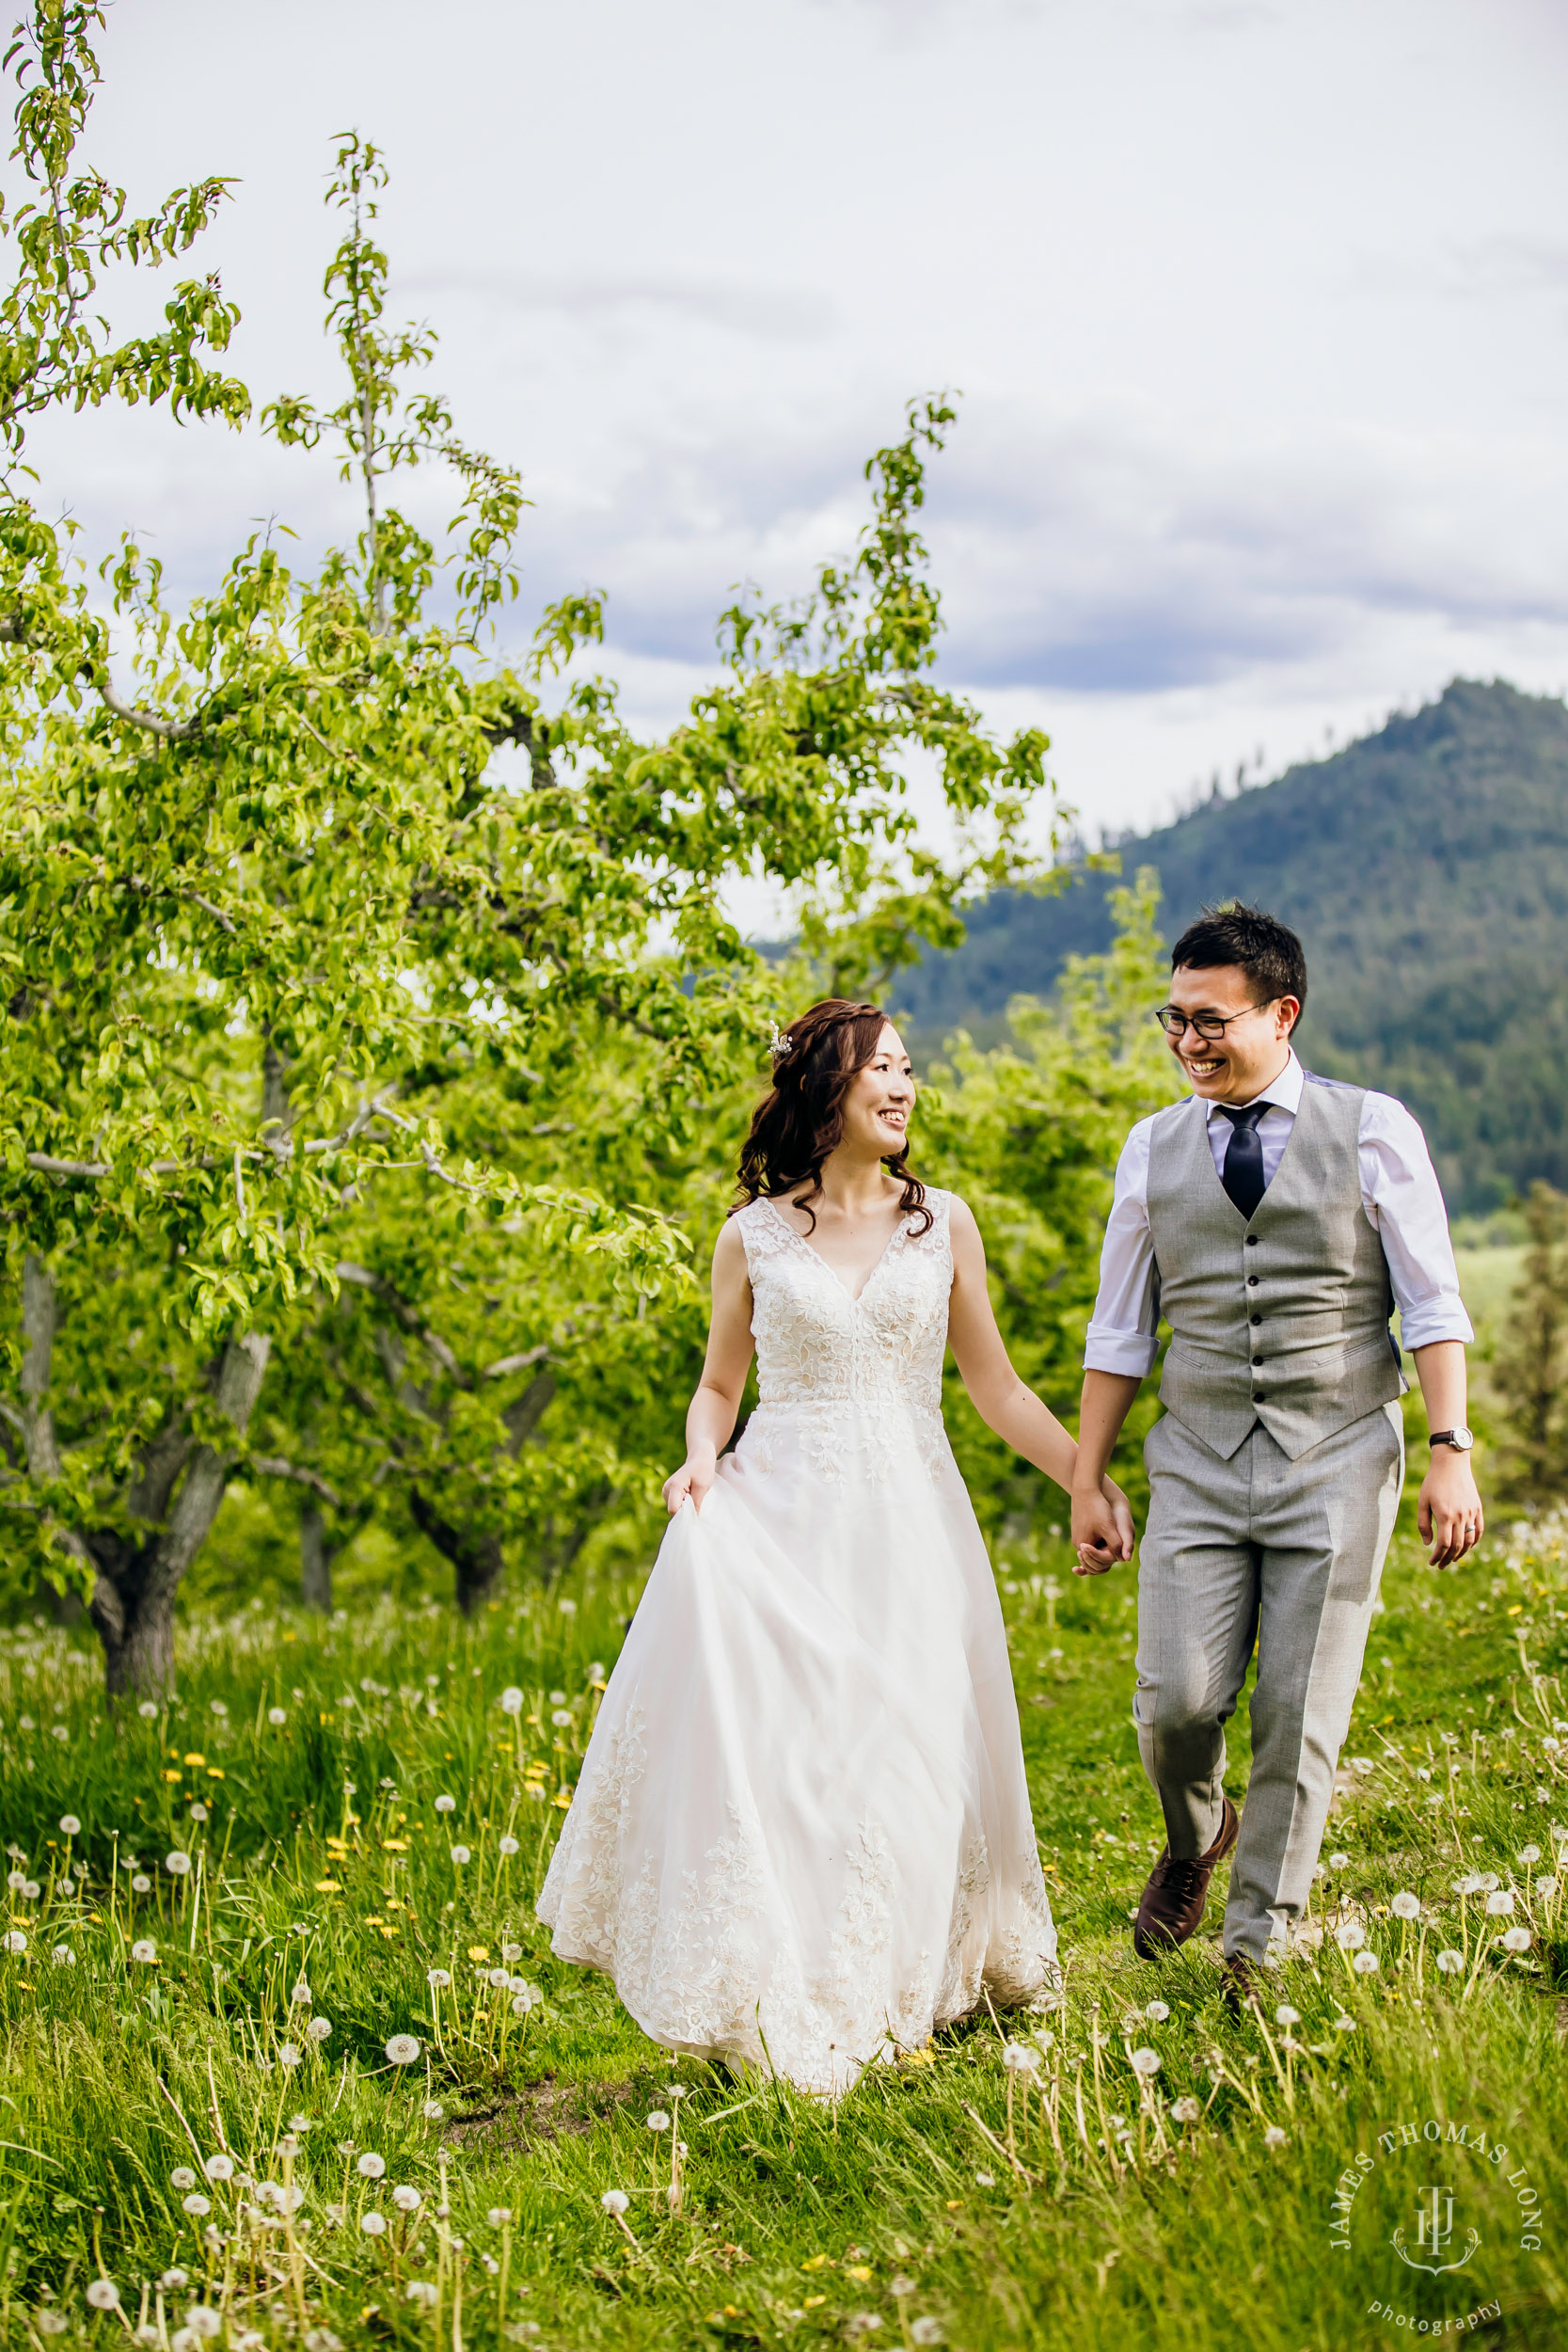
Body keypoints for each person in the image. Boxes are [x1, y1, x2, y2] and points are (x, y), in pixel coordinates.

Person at [539, 997, 1132, 2094]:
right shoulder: (752, 1233)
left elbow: (993, 1386)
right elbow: (719, 1386)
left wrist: (1083, 1482)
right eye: (881, 1069)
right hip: (784, 1511)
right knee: (803, 1757)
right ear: (826, 1088)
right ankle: (803, 1985)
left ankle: (918, 1968)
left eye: (909, 1067)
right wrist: (699, 1458)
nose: (903, 1087)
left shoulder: (941, 1220)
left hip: (911, 1516)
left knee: (911, 1746)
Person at [1069, 905, 1481, 2005]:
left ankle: (1256, 1943)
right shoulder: (1148, 1147)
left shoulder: (1375, 1129)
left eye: (1208, 1019)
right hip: (1196, 1455)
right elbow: (1118, 1329)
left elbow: (1431, 1303)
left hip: (1338, 1447)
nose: (1185, 1039)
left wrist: (1450, 1447)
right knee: (1173, 1702)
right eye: (1173, 1019)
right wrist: (1087, 1474)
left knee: (1298, 1708)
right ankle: (1192, 1834)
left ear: (1280, 1014)